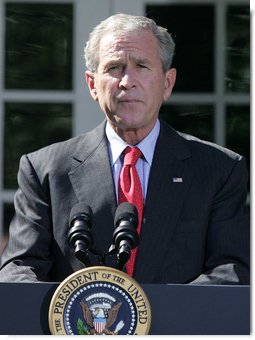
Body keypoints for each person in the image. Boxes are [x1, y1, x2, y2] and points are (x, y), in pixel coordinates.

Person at [0, 13, 249, 284]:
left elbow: (231, 270)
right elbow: (19, 268)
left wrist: (145, 317)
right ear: (92, 84)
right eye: (114, 67)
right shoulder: (44, 169)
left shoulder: (220, 170)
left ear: (167, 83)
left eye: (142, 66)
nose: (127, 81)